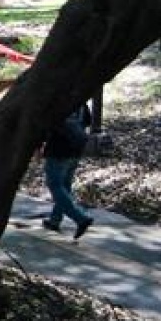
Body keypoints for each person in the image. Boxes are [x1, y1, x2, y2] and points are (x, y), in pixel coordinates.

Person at [42, 102, 95, 239]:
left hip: (58, 149)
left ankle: (80, 218)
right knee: (65, 185)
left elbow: (45, 125)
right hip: (76, 148)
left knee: (55, 185)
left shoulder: (59, 100)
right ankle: (55, 219)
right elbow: (88, 121)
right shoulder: (81, 101)